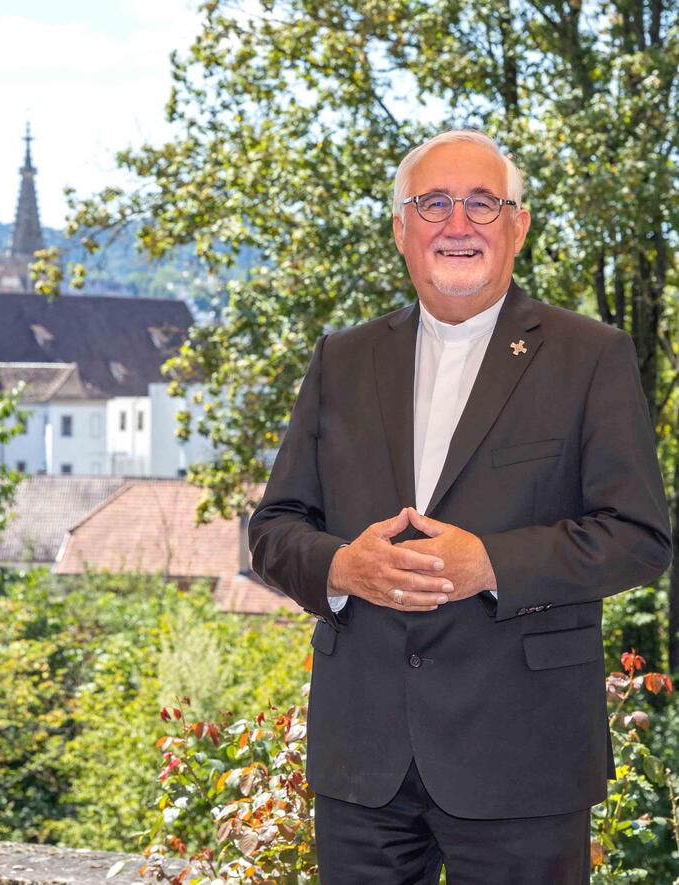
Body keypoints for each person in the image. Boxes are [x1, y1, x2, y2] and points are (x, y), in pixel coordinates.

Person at [248, 130, 671, 883]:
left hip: (526, 757)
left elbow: (638, 536)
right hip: (362, 761)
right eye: (434, 202)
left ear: (519, 225)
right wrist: (343, 566)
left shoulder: (589, 356)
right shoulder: (340, 360)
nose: (458, 223)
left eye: (482, 203)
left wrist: (492, 562)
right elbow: (275, 529)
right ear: (400, 228)